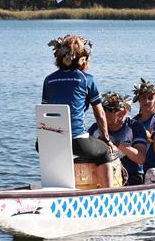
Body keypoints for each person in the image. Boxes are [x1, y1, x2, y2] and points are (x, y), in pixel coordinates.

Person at [42, 35, 114, 188]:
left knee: (69, 148)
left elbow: (45, 110)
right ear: (82, 58)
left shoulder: (48, 80)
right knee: (104, 152)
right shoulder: (86, 79)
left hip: (47, 141)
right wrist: (106, 139)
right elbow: (100, 114)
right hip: (76, 141)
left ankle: (58, 189)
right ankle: (109, 195)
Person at [88, 92, 148, 185]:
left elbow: (141, 158)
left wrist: (115, 143)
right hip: (104, 178)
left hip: (132, 177)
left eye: (111, 110)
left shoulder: (135, 127)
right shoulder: (95, 129)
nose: (105, 113)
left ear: (123, 112)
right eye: (104, 109)